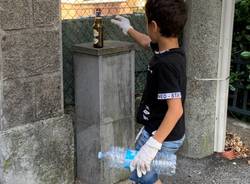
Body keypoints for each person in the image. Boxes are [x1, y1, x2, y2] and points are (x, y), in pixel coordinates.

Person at [111, 0, 187, 183]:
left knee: (142, 175)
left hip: (162, 136)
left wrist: (152, 146)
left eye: (146, 22)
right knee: (145, 175)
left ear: (153, 26)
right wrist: (128, 28)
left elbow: (176, 110)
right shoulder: (171, 52)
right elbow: (147, 42)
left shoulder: (165, 65)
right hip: (160, 130)